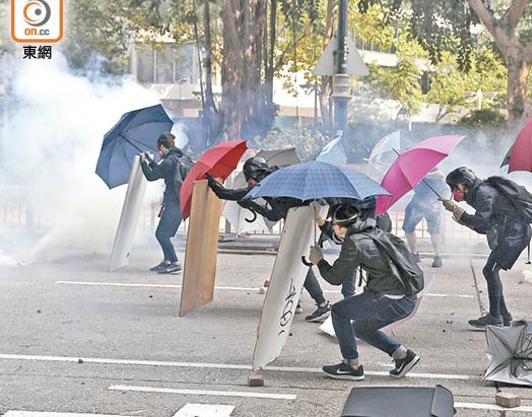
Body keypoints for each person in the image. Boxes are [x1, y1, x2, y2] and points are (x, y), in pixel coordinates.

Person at [206, 156, 332, 322]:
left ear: (256, 173)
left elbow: (227, 194)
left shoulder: (269, 183)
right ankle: (296, 301)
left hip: (303, 225)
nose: (250, 181)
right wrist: (251, 204)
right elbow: (276, 213)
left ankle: (322, 304)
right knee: (293, 264)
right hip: (306, 222)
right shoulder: (279, 175)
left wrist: (210, 180)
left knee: (299, 264)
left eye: (250, 177)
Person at [308, 204, 420, 381]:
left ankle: (351, 365)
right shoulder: (373, 231)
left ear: (339, 226)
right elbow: (341, 236)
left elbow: (335, 277)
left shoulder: (354, 243)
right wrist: (321, 222)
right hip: (407, 298)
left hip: (389, 298)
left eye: (335, 225)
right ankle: (403, 356)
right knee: (360, 328)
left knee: (339, 311)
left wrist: (319, 261)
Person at [441, 167, 532, 328]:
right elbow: (487, 224)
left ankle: (495, 316)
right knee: (491, 271)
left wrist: (457, 210)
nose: (453, 191)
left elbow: (481, 221)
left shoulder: (483, 193)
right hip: (511, 233)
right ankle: (503, 316)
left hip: (515, 234)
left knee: (490, 270)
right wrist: (462, 218)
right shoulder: (479, 193)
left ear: (463, 185)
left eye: (454, 187)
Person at [140, 132, 184, 274]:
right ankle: (167, 261)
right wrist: (149, 160)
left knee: (161, 234)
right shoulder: (176, 158)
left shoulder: (169, 161)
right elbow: (162, 171)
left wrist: (142, 162)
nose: (159, 152)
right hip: (178, 202)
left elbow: (152, 176)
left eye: (159, 149)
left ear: (163, 147)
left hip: (174, 203)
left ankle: (175, 262)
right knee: (163, 233)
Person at [402, 167, 448, 268]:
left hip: (433, 200)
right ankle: (414, 254)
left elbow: (440, 174)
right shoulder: (409, 169)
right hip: (418, 198)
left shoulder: (427, 164)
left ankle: (437, 256)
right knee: (408, 226)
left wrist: (424, 174)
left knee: (434, 230)